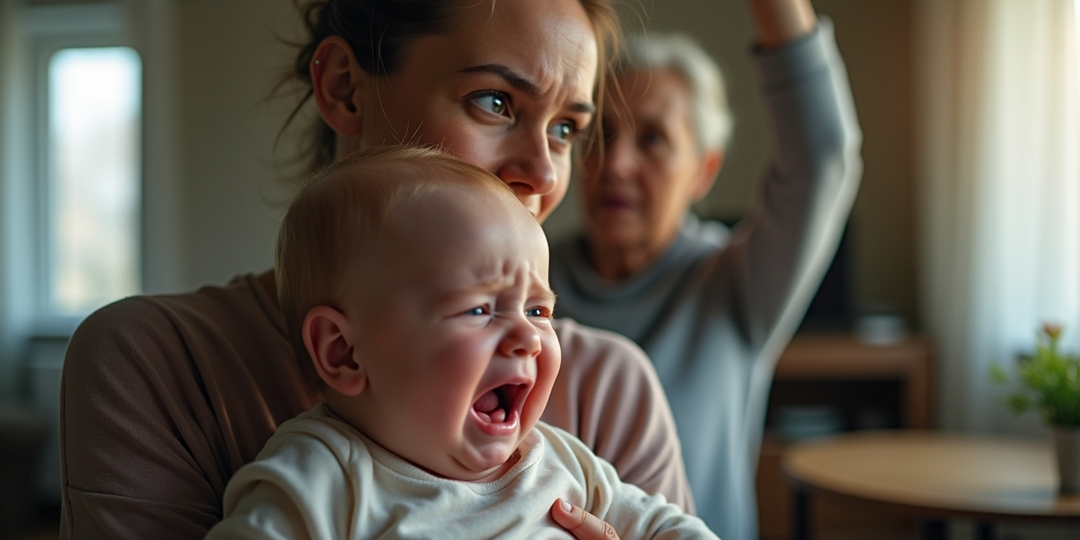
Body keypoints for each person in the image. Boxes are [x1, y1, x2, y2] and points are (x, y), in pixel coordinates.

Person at [58, 2, 692, 539]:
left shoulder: (611, 391)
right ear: (343, 86)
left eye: (564, 129)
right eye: (494, 101)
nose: (547, 174)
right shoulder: (157, 365)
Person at [206, 146, 717, 540]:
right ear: (342, 350)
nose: (527, 338)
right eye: (478, 309)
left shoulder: (563, 463)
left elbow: (670, 527)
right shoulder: (321, 479)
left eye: (539, 310)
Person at [547, 1, 863, 539]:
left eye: (652, 139)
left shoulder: (732, 282)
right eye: (600, 134)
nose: (617, 164)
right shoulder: (528, 278)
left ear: (704, 171)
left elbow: (822, 155)